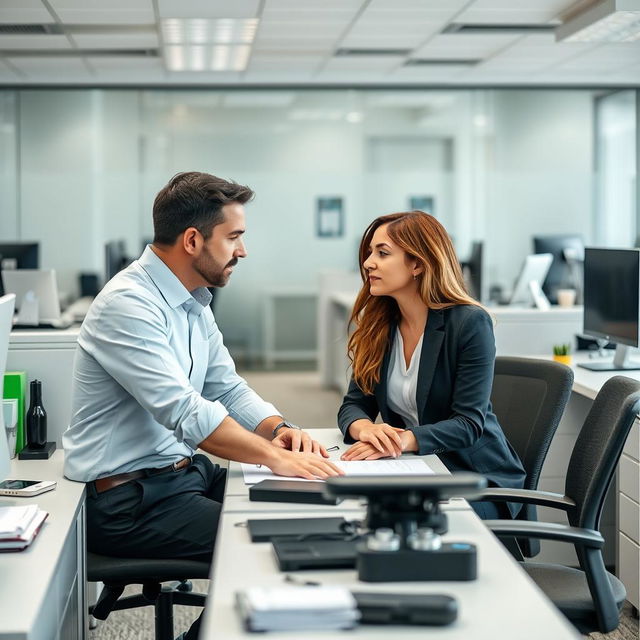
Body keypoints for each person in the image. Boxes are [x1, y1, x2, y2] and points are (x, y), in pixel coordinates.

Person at [63, 171, 342, 639]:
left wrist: (278, 430)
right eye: (234, 237)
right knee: (272, 547)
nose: (243, 251)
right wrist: (277, 459)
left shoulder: (193, 301)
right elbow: (189, 414)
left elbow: (226, 386)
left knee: (305, 514)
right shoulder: (128, 305)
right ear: (193, 240)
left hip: (183, 475)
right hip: (129, 501)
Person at [337, 211, 525, 519]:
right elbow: (353, 405)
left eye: (382, 253)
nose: (368, 263)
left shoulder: (468, 323)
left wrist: (402, 439)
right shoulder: (380, 324)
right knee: (360, 508)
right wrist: (366, 429)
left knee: (394, 518)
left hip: (474, 478)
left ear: (418, 264)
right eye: (370, 253)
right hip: (416, 468)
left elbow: (468, 424)